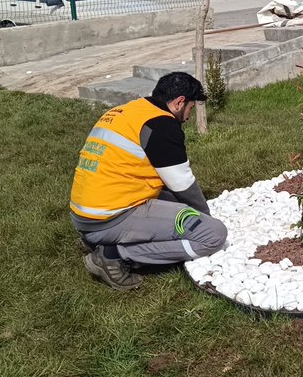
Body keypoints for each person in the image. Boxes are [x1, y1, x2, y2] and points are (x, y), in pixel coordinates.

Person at [70, 72, 228, 291]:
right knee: (212, 234)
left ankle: (96, 240)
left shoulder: (128, 111)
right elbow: (182, 183)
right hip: (109, 218)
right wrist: (203, 216)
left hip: (86, 215)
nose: (189, 116)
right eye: (190, 108)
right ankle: (113, 256)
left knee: (177, 204)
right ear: (179, 102)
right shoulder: (161, 125)